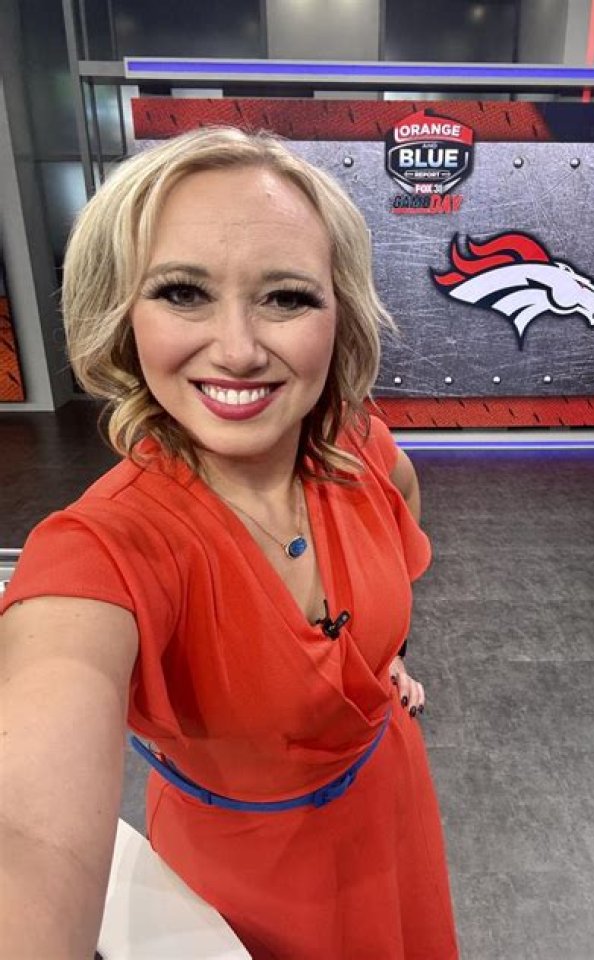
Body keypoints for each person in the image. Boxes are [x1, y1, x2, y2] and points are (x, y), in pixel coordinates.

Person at [0, 127, 459, 960]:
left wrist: (386, 654)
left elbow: (402, 502)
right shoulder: (97, 553)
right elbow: (28, 834)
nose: (240, 350)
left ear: (339, 315)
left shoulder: (359, 445)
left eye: (286, 297)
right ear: (122, 313)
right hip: (244, 887)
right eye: (182, 292)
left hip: (389, 796)